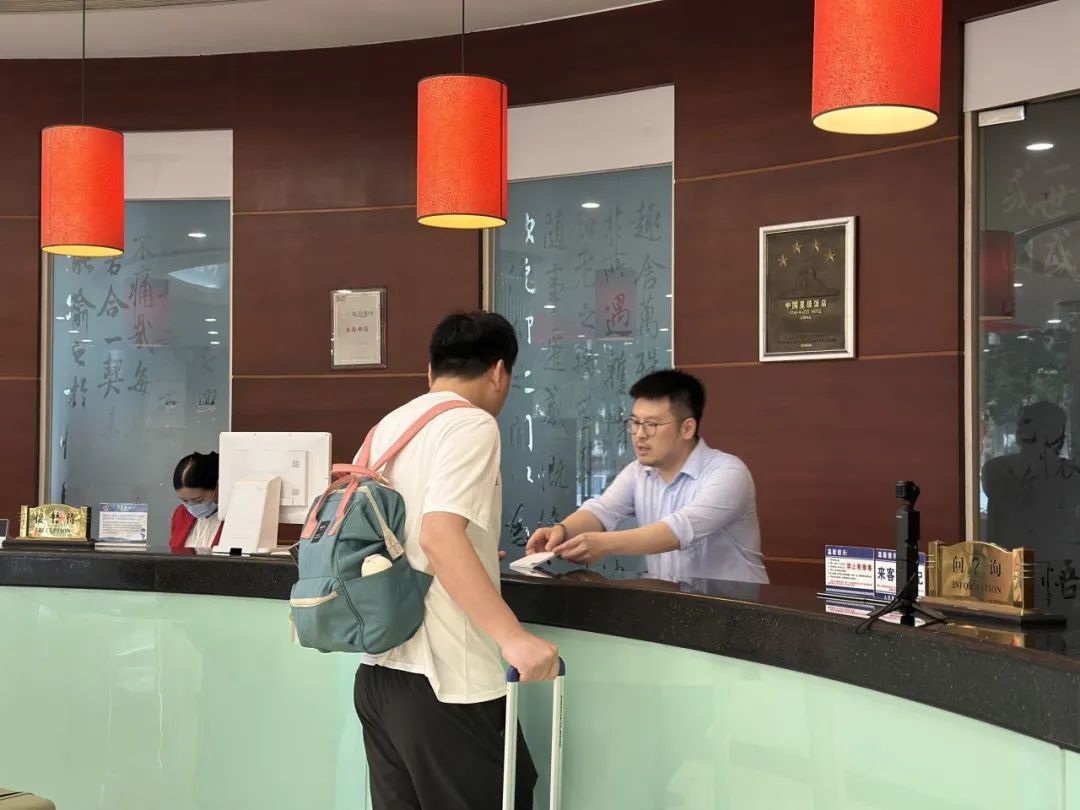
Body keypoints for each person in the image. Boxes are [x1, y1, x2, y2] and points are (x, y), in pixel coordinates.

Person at [354, 312, 559, 810]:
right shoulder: (471, 423)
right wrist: (513, 638)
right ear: (499, 371)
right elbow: (440, 537)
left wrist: (476, 553)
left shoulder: (386, 428)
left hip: (379, 676)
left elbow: (393, 535)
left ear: (430, 370)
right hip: (448, 680)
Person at [527, 369, 768, 584]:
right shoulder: (638, 472)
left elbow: (677, 531)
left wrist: (604, 544)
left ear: (687, 428)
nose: (639, 434)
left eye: (651, 424)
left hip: (733, 608)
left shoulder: (728, 473)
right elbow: (602, 511)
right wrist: (563, 530)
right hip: (669, 602)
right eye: (634, 422)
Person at [169, 451, 224, 551]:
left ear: (217, 487)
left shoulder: (233, 518)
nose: (191, 506)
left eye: (198, 500)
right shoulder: (181, 513)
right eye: (184, 500)